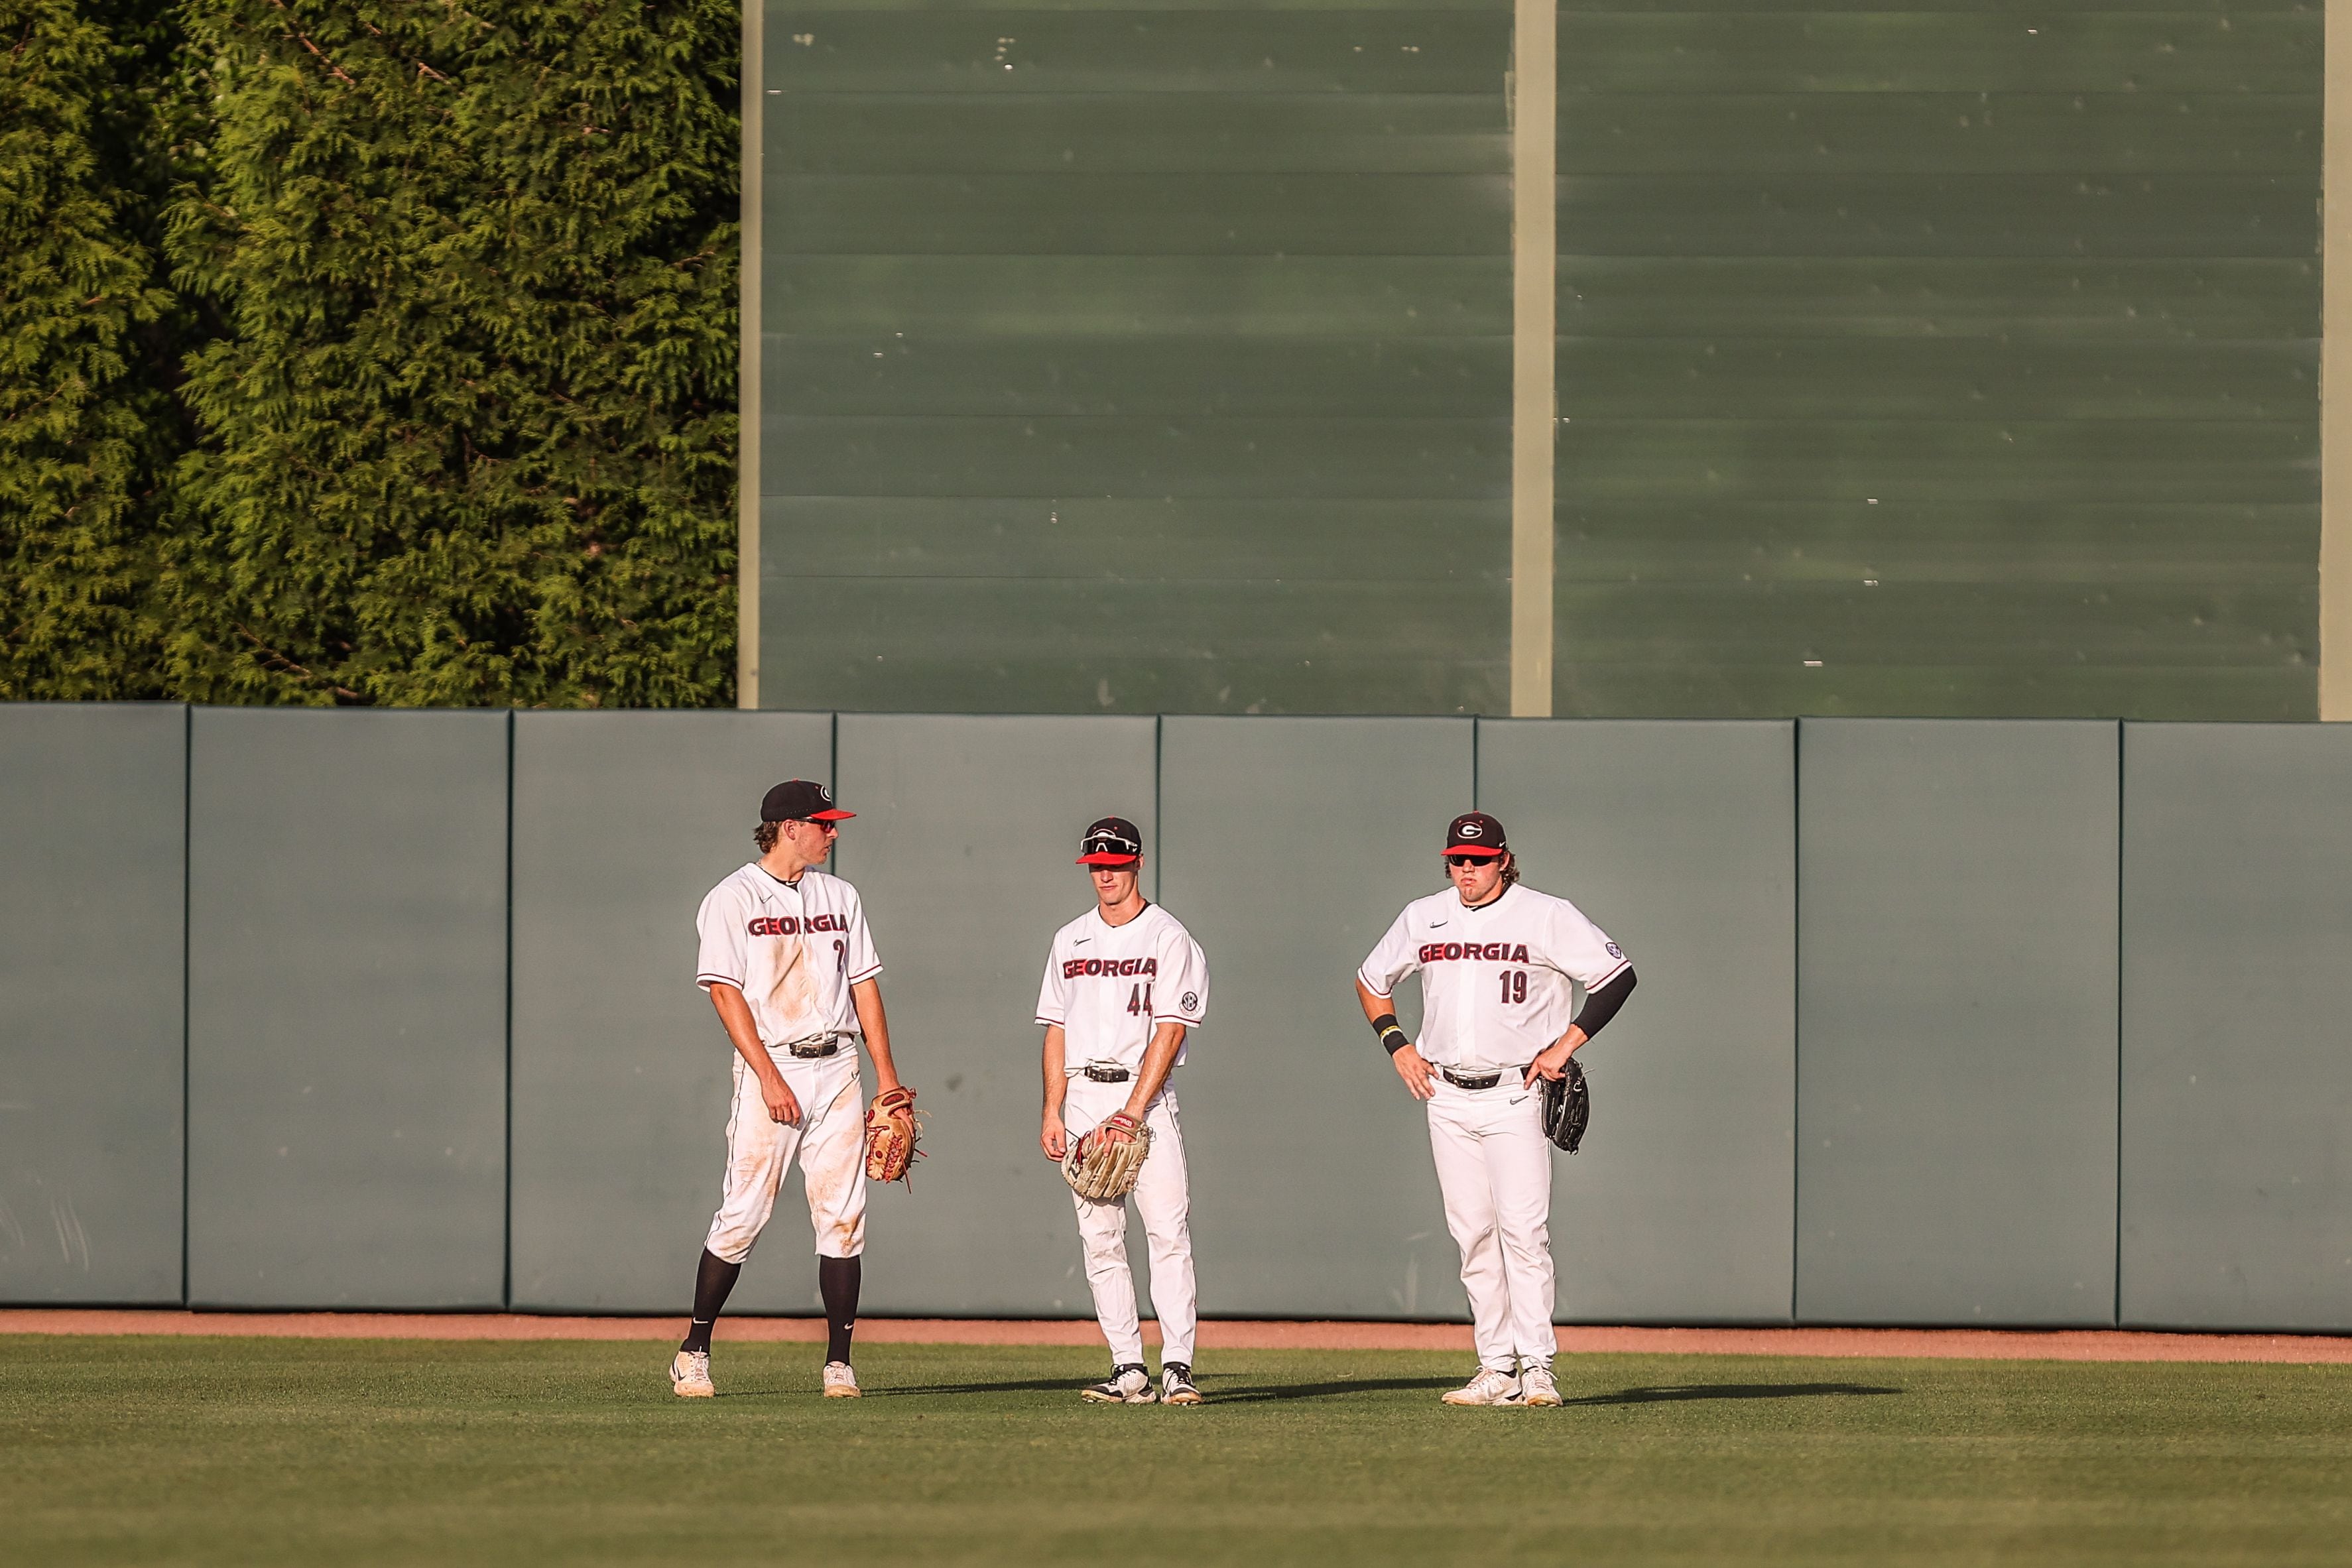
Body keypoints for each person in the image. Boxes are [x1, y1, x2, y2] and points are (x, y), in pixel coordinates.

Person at [1353, 812, 1637, 1408]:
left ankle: (1538, 1367)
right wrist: (1396, 1044)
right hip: (1446, 1095)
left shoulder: (1546, 913)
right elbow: (1370, 979)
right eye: (1456, 859)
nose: (1466, 870)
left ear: (1503, 859)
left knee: (1523, 1232)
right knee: (1473, 1234)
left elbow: (1615, 977)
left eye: (1478, 860)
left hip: (1515, 1092)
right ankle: (1496, 1368)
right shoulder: (1423, 915)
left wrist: (1565, 1044)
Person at [670, 779, 912, 1400]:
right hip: (771, 1065)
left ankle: (839, 1362)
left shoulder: (841, 895)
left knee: (843, 1216)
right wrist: (768, 1076)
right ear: (789, 827)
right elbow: (725, 993)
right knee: (743, 1213)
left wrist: (886, 1078)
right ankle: (693, 1349)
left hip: (839, 1068)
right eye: (824, 823)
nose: (834, 832)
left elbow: (864, 987)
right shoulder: (732, 897)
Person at [1036, 817, 1211, 1405]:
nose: (1105, 874)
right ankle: (1128, 1367)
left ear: (1136, 863)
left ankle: (1178, 1365)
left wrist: (1132, 1112)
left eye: (1114, 863)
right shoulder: (1071, 938)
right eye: (1096, 865)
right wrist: (1052, 1109)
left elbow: (1169, 1029)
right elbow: (1055, 1028)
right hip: (1084, 1095)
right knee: (1101, 1238)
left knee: (1167, 1231)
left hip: (1145, 1098)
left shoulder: (1167, 936)